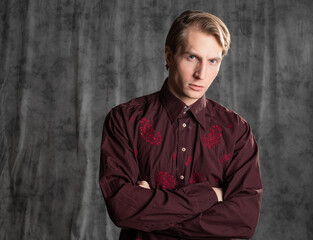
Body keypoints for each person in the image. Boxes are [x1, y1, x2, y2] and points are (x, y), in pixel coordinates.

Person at [99, 10, 262, 240]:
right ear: (169, 55)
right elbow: (123, 208)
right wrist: (211, 196)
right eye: (192, 57)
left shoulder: (236, 130)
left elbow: (244, 220)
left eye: (213, 61)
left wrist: (152, 212)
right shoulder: (124, 119)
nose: (201, 74)